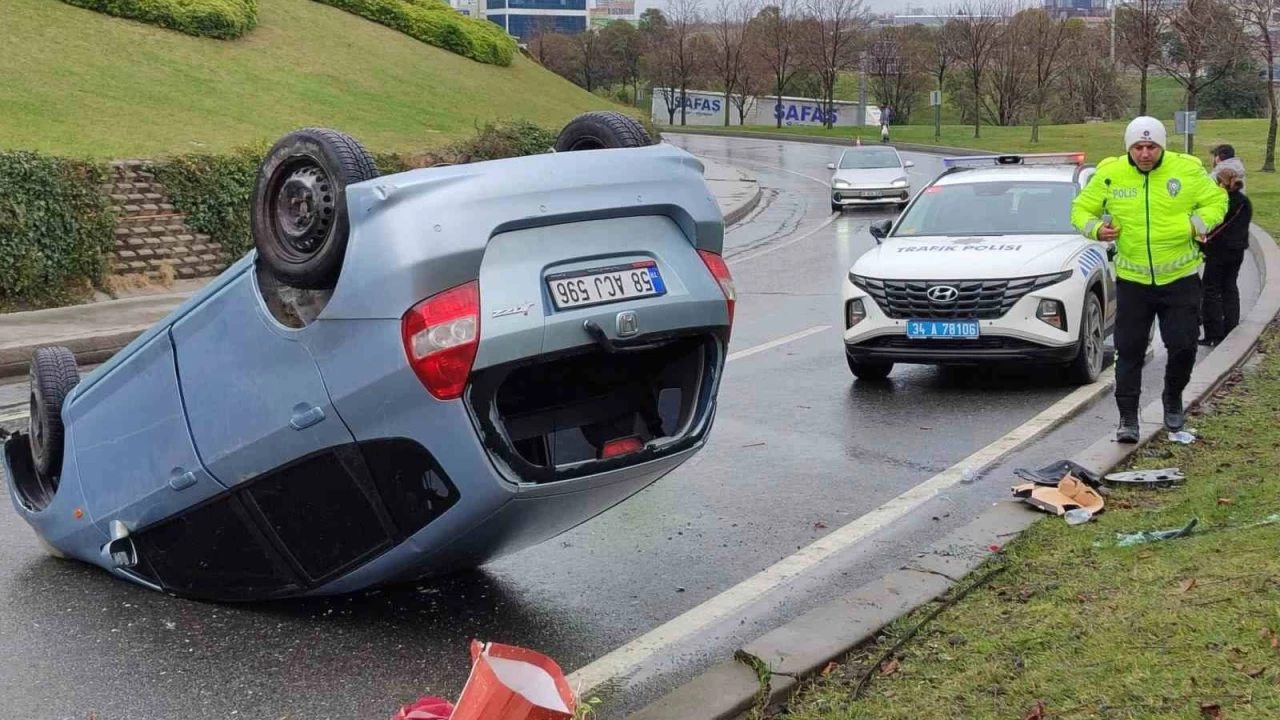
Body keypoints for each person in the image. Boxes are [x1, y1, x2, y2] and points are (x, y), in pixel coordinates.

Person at [1070, 116, 1228, 443]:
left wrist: (1195, 224)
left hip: (1180, 280)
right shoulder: (1111, 174)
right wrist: (1097, 229)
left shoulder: (1186, 169)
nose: (1145, 153)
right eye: (1138, 147)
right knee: (1129, 352)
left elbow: (1217, 201)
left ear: (1162, 146)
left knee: (1183, 347)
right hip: (1133, 282)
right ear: (1129, 147)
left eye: (1151, 147)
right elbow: (1080, 210)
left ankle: (1173, 398)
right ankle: (1128, 418)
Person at [1199, 166, 1252, 347]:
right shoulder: (1245, 202)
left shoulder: (1221, 201)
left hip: (1217, 251)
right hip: (1237, 252)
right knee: (1230, 287)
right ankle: (1231, 327)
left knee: (1211, 289)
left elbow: (1208, 225)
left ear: (1220, 182)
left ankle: (1213, 333)